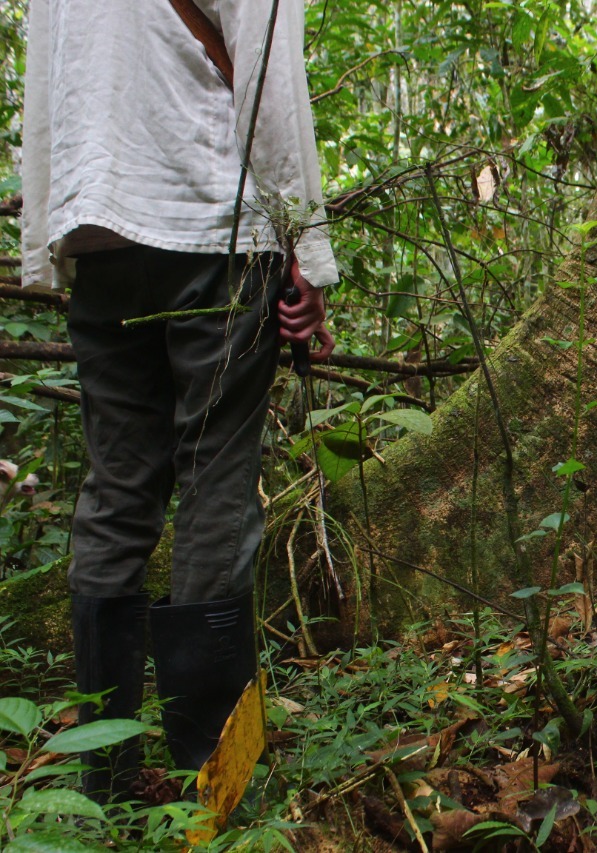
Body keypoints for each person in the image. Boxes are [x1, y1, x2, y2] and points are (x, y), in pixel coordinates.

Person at [20, 0, 336, 802]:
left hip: (98, 227)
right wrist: (305, 245)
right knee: (216, 488)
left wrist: (48, 238)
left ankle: (108, 780)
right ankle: (211, 775)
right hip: (209, 221)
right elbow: (268, 72)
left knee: (118, 492)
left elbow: (48, 84)